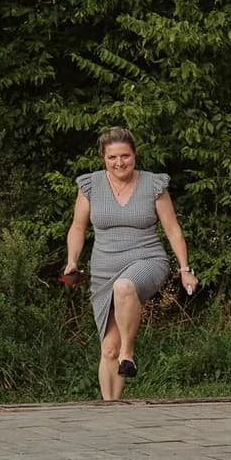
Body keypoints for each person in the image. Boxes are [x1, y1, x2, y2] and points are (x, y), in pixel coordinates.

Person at [62, 127, 197, 401]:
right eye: (113, 157)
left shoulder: (153, 185)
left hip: (147, 259)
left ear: (135, 155)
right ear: (103, 158)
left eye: (125, 156)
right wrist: (72, 260)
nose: (119, 162)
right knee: (108, 348)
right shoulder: (90, 186)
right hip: (103, 268)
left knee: (124, 287)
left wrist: (184, 270)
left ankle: (129, 352)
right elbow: (77, 228)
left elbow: (173, 229)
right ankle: (110, 408)